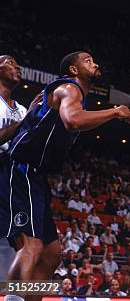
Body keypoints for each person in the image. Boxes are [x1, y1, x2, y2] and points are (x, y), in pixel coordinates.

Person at [0, 51, 130, 301]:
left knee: (51, 253)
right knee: (32, 246)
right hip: (21, 168)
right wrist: (114, 112)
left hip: (36, 175)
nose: (95, 63)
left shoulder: (73, 96)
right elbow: (73, 121)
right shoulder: (69, 88)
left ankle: (27, 298)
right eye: (88, 60)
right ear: (73, 70)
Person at [0, 55, 41, 287]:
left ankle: (16, 294)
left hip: (16, 180)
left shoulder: (23, 109)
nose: (17, 67)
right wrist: (24, 124)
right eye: (10, 62)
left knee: (27, 246)